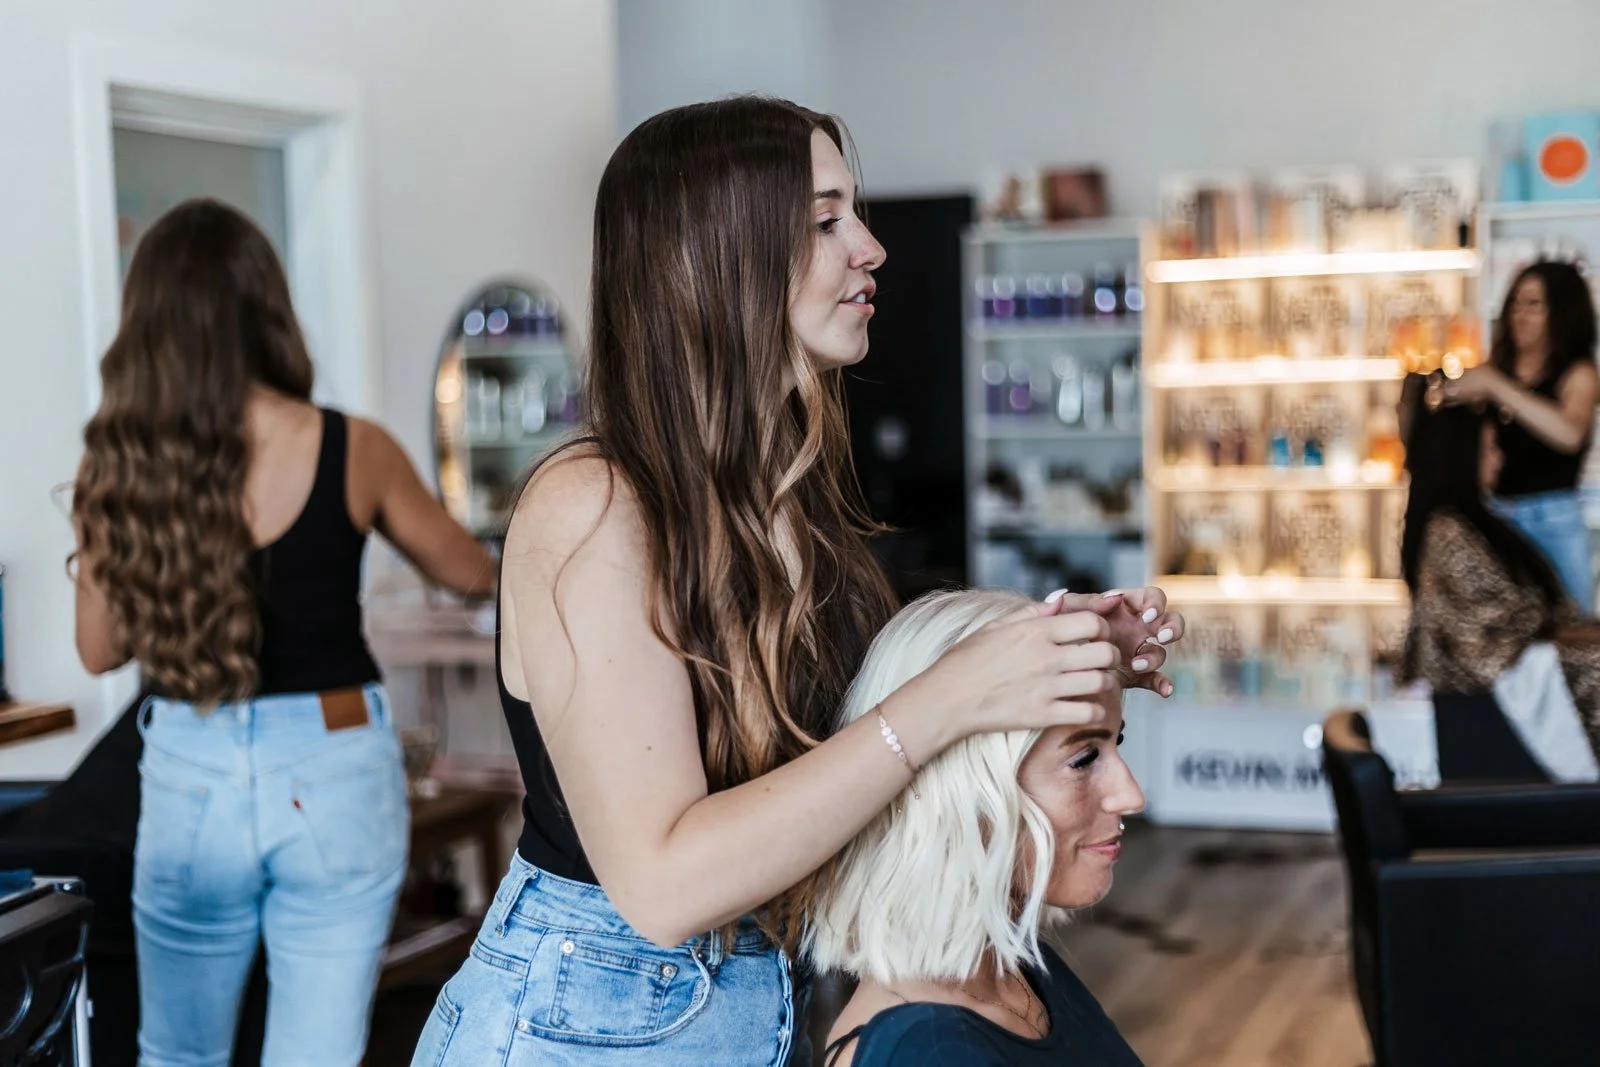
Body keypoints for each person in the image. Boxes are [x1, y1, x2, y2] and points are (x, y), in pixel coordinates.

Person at [409, 96, 1182, 1067]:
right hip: (578, 1031)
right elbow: (663, 883)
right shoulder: (592, 507)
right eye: (825, 221)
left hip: (752, 1006)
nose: (871, 248)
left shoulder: (788, 495)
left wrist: (1050, 654)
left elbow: (840, 756)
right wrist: (947, 698)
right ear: (712, 256)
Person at [70, 198, 496, 1067]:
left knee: (178, 1053)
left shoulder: (121, 463)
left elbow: (99, 651)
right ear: (266, 307)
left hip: (191, 772)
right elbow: (473, 571)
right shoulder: (352, 445)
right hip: (334, 764)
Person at [809, 588, 1145, 1066]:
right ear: (962, 789)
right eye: (1084, 757)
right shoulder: (929, 1051)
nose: (1131, 795)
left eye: (1116, 743)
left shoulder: (1021, 971)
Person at [1399, 380, 1600, 781]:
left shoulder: (1477, 526)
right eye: (1490, 448)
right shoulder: (1448, 533)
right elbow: (1485, 635)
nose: (1499, 460)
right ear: (1462, 455)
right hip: (1488, 690)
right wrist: (1570, 635)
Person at [1443, 260, 1600, 611]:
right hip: (1497, 515)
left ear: (1560, 312)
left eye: (1533, 304)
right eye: (1515, 303)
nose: (1521, 315)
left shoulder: (1579, 374)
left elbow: (1569, 433)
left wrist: (1495, 386)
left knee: (1572, 635)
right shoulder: (1498, 369)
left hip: (1554, 520)